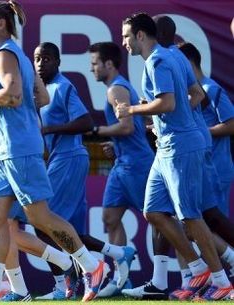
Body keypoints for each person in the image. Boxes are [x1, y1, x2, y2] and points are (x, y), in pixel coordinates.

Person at [0, 1, 108, 302]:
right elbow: (41, 96)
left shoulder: (5, 55)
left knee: (39, 217)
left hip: (19, 149)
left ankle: (92, 264)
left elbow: (11, 96)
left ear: (1, 24)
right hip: (8, 147)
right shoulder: (15, 54)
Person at [117, 12, 232, 301]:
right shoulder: (176, 56)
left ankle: (221, 281)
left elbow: (167, 102)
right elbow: (195, 95)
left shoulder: (157, 60)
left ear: (140, 36)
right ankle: (197, 267)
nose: (124, 42)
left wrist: (133, 110)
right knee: (153, 211)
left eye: (127, 36)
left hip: (180, 147)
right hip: (170, 144)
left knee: (191, 217)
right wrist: (163, 121)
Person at [31, 42, 135, 300]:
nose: (41, 63)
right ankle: (116, 255)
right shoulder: (41, 91)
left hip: (69, 158)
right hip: (61, 159)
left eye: (46, 58)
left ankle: (62, 285)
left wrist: (49, 130)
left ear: (57, 62)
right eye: (37, 59)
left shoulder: (64, 86)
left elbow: (86, 122)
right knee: (65, 230)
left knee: (42, 223)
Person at [87, 41, 154, 297]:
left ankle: (195, 271)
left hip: (137, 165)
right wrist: (112, 143)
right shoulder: (116, 89)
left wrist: (96, 131)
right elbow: (129, 129)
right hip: (121, 164)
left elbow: (126, 127)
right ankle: (121, 279)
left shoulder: (116, 89)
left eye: (94, 63)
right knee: (110, 219)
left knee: (160, 221)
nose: (91, 69)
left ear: (109, 64)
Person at [178, 42, 234, 218]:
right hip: (201, 170)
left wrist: (201, 132)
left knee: (216, 225)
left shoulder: (212, 89)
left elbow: (232, 124)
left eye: (178, 63)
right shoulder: (189, 92)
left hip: (217, 169)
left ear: (188, 62)